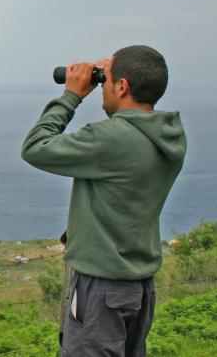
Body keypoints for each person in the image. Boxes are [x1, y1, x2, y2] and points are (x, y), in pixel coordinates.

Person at [21, 45, 187, 356]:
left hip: (101, 288)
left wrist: (72, 95)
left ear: (122, 86)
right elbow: (128, 120)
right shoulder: (169, 136)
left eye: (106, 80)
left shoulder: (111, 140)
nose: (101, 87)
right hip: (138, 285)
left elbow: (35, 147)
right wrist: (114, 75)